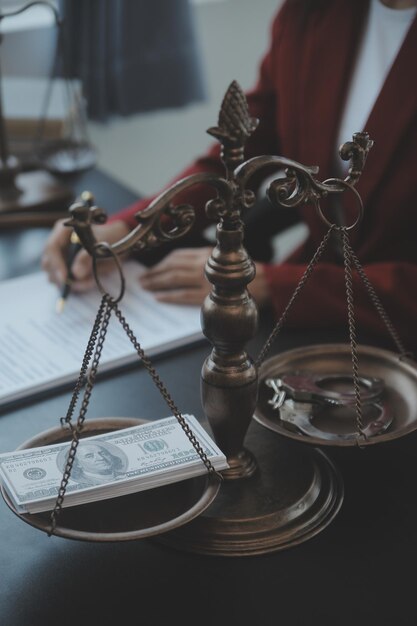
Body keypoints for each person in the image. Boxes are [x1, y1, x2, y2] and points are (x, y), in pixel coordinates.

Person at [42, 0, 417, 353]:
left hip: (390, 328)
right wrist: (127, 231)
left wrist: (276, 284)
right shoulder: (313, 11)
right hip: (314, 325)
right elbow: (240, 153)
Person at [57, 441, 128, 487]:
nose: (101, 458)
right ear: (77, 464)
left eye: (102, 453)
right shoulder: (82, 481)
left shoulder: (123, 475)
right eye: (89, 456)